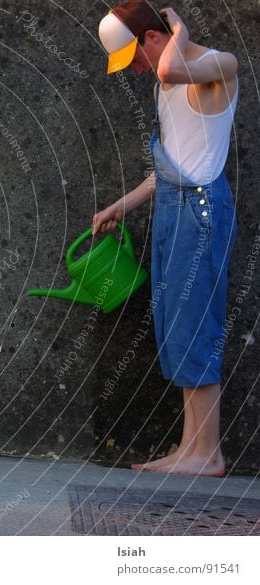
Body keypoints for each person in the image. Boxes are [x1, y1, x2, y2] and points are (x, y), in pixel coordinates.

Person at [92, 1, 239, 476]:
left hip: (199, 211)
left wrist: (178, 27)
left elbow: (174, 68)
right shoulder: (166, 83)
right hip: (175, 209)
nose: (138, 71)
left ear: (154, 39)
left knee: (198, 321)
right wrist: (122, 204)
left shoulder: (220, 66)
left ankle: (209, 452)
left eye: (135, 58)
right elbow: (168, 169)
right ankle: (191, 447)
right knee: (178, 321)